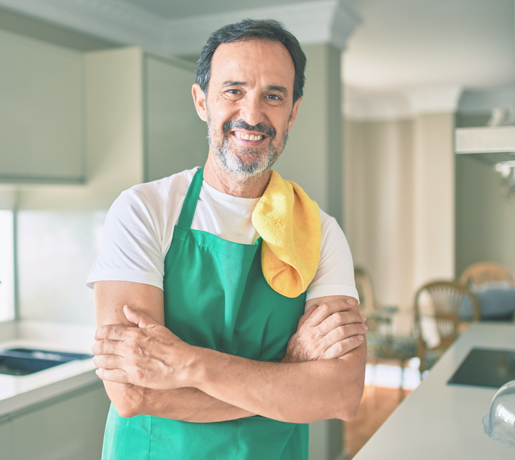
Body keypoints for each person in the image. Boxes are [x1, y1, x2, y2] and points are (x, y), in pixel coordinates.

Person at [88, 19, 366, 460]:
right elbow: (132, 394)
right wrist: (288, 377)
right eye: (233, 91)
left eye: (273, 96)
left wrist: (186, 364)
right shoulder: (144, 210)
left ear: (292, 111)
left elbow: (342, 395)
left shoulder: (319, 231)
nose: (252, 116)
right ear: (202, 101)